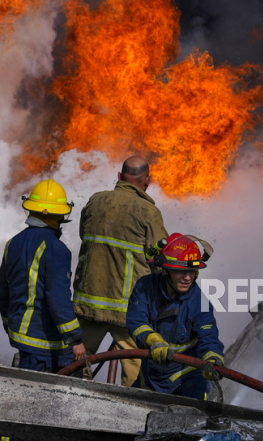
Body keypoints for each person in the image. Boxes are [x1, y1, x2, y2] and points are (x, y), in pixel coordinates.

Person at [73, 155, 168, 386]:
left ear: (119, 177)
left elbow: (83, 236)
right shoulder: (148, 212)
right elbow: (160, 260)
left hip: (88, 306)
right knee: (135, 377)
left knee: (74, 367)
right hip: (127, 312)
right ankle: (128, 418)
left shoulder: (95, 201)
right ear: (148, 180)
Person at [0, 178, 85, 373]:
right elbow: (58, 298)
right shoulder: (57, 249)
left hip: (20, 336)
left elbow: (2, 290)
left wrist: (8, 323)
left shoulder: (13, 242)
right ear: (59, 215)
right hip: (44, 343)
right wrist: (75, 338)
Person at [127, 233, 225, 400]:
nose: (187, 278)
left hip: (188, 376)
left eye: (192, 271)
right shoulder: (145, 286)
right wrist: (153, 340)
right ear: (165, 271)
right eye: (181, 272)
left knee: (194, 418)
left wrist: (212, 358)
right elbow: (136, 321)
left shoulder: (200, 301)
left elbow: (208, 335)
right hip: (152, 376)